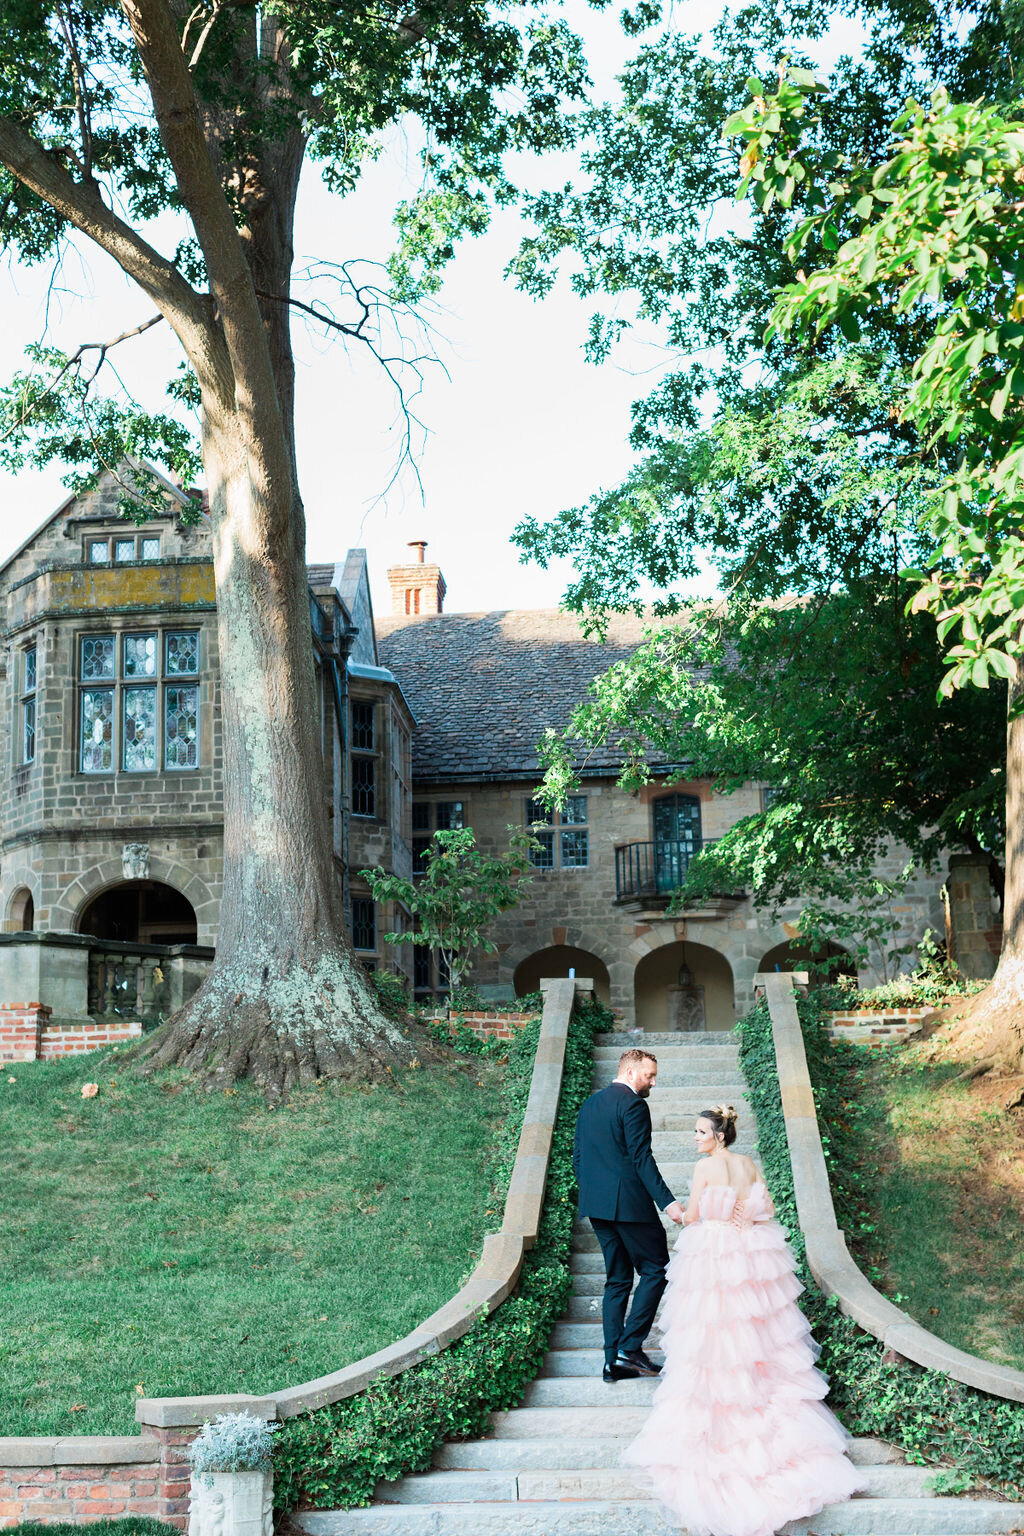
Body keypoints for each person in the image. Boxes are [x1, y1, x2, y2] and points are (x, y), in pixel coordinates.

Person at [622, 1104, 863, 1535]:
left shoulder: (704, 1169)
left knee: (713, 1333)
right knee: (754, 1331)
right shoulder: (748, 1163)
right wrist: (742, 1216)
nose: (695, 1138)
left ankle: (720, 1417)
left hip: (713, 1256)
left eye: (699, 1131)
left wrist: (678, 1214)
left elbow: (694, 1215)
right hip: (746, 1253)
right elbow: (763, 1207)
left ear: (716, 1135)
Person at [572, 1047, 684, 1382]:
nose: (652, 1082)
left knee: (617, 1279)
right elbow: (641, 1159)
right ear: (631, 1072)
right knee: (655, 1269)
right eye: (649, 1075)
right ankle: (630, 1347)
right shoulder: (634, 1103)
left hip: (596, 1206)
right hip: (630, 1205)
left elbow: (578, 1158)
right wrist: (668, 1203)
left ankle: (612, 1363)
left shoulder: (589, 1104)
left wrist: (594, 1194)